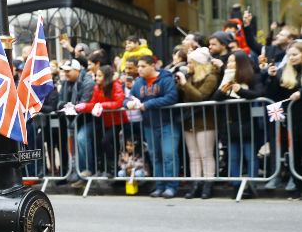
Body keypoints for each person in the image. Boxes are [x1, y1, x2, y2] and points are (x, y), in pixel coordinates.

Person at [212, 50, 265, 198]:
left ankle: (252, 187)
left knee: (250, 156)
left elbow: (259, 94)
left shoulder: (252, 77)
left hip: (248, 124)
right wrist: (224, 89)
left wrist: (240, 90)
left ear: (241, 63)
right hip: (230, 125)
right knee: (233, 157)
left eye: (233, 61)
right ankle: (236, 186)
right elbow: (216, 97)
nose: (229, 64)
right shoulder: (225, 78)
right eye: (228, 62)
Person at [125, 55, 180, 198]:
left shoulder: (166, 78)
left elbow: (171, 97)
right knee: (155, 156)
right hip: (149, 124)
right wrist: (128, 103)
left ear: (153, 66)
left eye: (143, 66)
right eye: (139, 67)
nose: (139, 69)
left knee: (169, 155)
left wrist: (148, 104)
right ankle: (160, 185)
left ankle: (171, 186)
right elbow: (128, 98)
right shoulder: (138, 83)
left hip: (168, 123)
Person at [175, 47, 219, 199]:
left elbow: (200, 96)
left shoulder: (211, 77)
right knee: (193, 155)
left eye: (190, 62)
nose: (188, 65)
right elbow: (181, 96)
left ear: (198, 63)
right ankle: (195, 183)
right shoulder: (189, 77)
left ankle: (208, 184)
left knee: (205, 154)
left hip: (205, 120)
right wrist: (179, 83)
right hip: (189, 120)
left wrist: (184, 84)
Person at [75, 65, 128, 177]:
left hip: (118, 121)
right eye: (96, 75)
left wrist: (102, 105)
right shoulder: (97, 87)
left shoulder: (115, 85)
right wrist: (83, 106)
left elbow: (119, 102)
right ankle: (110, 169)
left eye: (99, 76)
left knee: (107, 142)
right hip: (106, 122)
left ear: (106, 76)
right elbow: (94, 104)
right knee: (105, 143)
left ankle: (113, 168)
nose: (96, 78)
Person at [265, 42, 302, 198]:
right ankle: (299, 188)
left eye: (295, 54)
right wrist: (272, 78)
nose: (292, 58)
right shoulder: (283, 71)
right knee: (295, 154)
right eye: (289, 55)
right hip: (293, 121)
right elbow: (274, 97)